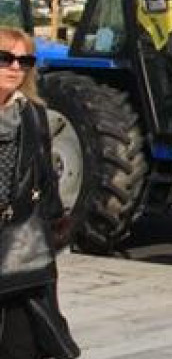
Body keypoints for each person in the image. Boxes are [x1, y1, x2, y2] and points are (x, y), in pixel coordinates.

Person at [0, 27, 78, 358]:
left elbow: (45, 177)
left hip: (19, 242)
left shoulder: (33, 114)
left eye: (25, 61)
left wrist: (54, 226)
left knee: (22, 341)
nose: (15, 67)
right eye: (5, 58)